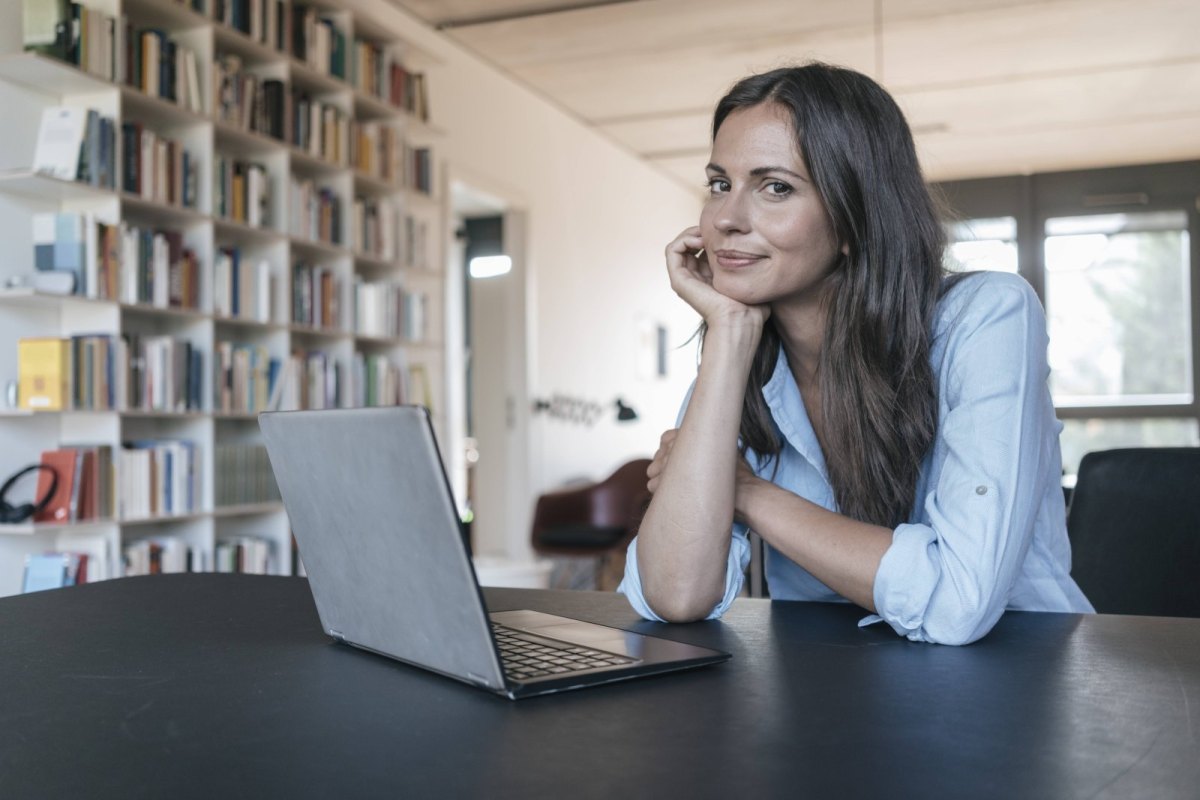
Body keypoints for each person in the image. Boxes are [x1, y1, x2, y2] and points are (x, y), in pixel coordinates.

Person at [617, 63, 1093, 645]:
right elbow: (676, 595)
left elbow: (958, 603)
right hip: (826, 694)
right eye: (721, 183)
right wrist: (729, 332)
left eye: (776, 187)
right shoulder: (735, 360)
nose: (725, 220)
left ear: (853, 219)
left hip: (1022, 679)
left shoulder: (986, 315)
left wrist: (746, 492)